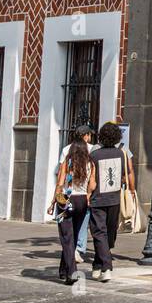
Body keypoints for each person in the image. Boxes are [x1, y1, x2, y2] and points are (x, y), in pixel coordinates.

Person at [48, 128, 94, 285]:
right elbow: (92, 184)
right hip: (81, 201)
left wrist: (53, 201)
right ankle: (63, 270)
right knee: (72, 235)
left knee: (66, 237)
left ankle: (72, 273)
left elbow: (60, 183)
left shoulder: (67, 162)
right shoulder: (89, 164)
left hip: (66, 201)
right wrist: (88, 197)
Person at [87, 122, 127, 283]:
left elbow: (92, 180)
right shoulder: (120, 154)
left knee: (99, 233)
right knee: (109, 234)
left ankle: (106, 266)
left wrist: (88, 194)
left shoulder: (94, 156)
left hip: (98, 199)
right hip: (115, 199)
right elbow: (123, 176)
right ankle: (98, 266)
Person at [58, 125, 94, 262]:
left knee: (66, 227)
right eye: (89, 135)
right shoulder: (92, 149)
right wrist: (90, 195)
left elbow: (61, 175)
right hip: (83, 195)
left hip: (67, 194)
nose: (90, 138)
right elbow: (93, 178)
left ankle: (71, 251)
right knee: (83, 222)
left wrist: (56, 196)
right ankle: (78, 248)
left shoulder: (66, 150)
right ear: (85, 135)